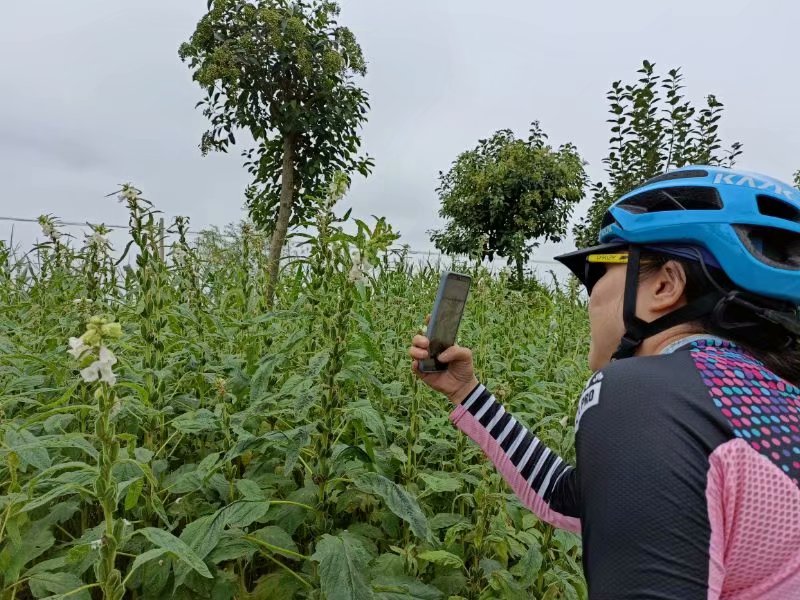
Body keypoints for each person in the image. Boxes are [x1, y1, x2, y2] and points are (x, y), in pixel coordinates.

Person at [409, 165, 800, 599]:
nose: (589, 294)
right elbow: (568, 497)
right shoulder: (769, 400)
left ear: (666, 285)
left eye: (598, 268)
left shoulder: (644, 392)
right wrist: (467, 393)